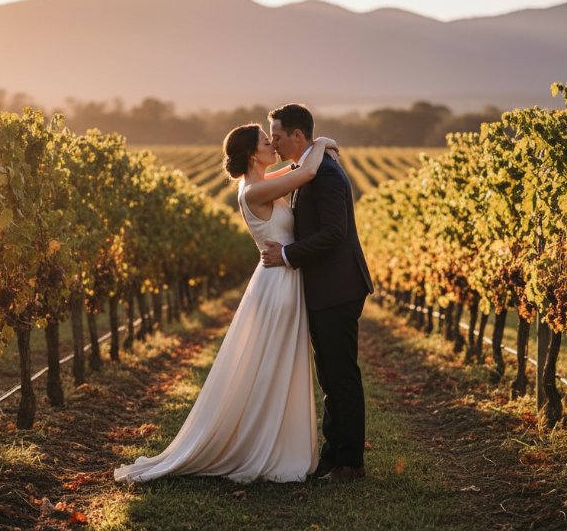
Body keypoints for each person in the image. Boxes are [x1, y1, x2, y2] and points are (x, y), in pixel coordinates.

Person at [114, 123, 339, 483]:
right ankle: (264, 446)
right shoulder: (254, 192)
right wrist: (322, 141)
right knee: (273, 363)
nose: (274, 146)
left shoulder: (258, 183)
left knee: (276, 361)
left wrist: (311, 149)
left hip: (280, 278)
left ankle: (276, 440)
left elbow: (297, 169)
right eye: (268, 142)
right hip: (278, 283)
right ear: (252, 154)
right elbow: (309, 170)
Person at [260, 103, 373, 482]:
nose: (273, 142)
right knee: (328, 374)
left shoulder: (324, 173)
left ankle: (350, 462)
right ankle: (333, 454)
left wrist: (287, 254)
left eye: (276, 135)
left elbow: (334, 233)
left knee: (341, 375)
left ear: (297, 135)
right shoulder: (310, 166)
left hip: (338, 287)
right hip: (325, 287)